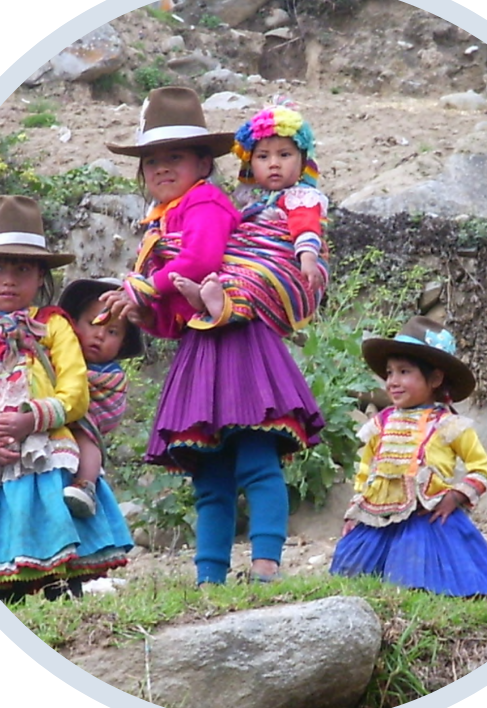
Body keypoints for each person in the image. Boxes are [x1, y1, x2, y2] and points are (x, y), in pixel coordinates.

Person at [101, 86, 325, 584]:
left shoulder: (204, 205)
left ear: (204, 164)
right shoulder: (162, 225)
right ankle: (210, 578)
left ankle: (265, 564)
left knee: (255, 456)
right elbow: (174, 311)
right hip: (202, 350)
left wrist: (147, 286)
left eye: (174, 158)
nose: (160, 168)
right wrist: (145, 313)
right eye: (152, 161)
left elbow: (200, 262)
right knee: (211, 475)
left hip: (241, 346)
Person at [0, 195, 134, 600]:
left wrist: (31, 420)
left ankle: (69, 600)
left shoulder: (54, 328)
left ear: (41, 275)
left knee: (64, 551)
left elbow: (75, 395)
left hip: (49, 457)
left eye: (22, 268)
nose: (9, 279)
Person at [330, 316, 487, 599]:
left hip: (427, 516)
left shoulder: (449, 425)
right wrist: (356, 509)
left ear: (435, 378)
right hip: (380, 516)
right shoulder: (381, 423)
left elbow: (482, 468)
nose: (393, 381)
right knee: (351, 567)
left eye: (404, 372)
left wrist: (456, 496)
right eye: (389, 373)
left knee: (419, 570)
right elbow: (367, 469)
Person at [170, 100, 329, 336]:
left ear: (303, 160)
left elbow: (305, 228)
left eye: (284, 155)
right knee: (226, 266)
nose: (274, 164)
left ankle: (224, 304)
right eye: (263, 157)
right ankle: (208, 294)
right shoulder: (250, 202)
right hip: (250, 257)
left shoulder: (301, 197)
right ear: (250, 163)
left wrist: (307, 259)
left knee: (255, 279)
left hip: (282, 262)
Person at [57, 277, 144, 519]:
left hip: (82, 428)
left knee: (87, 435)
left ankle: (86, 484)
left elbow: (106, 410)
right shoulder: (56, 358)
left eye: (112, 331)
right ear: (73, 324)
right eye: (93, 323)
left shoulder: (110, 376)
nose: (100, 335)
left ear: (122, 343)